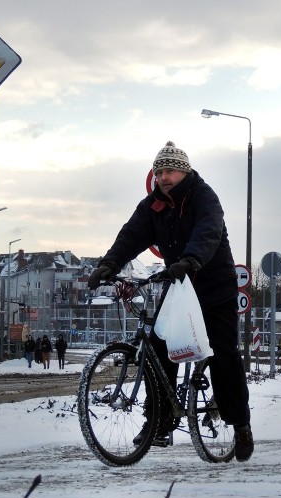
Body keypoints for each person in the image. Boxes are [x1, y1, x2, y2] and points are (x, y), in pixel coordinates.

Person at [87, 141, 253, 462]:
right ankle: (159, 424)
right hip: (180, 286)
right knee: (158, 346)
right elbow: (130, 236)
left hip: (214, 287)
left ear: (184, 171)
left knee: (223, 354)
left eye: (170, 171)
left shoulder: (204, 197)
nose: (164, 177)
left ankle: (241, 424)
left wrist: (191, 260)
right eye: (159, 171)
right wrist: (108, 265)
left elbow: (208, 231)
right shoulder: (153, 206)